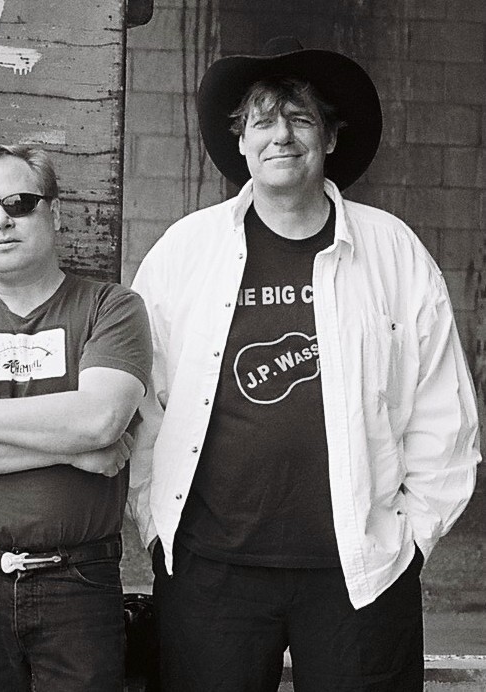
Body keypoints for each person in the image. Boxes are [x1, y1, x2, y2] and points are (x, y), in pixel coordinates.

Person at [131, 38, 481, 691]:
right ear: (240, 140)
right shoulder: (185, 251)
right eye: (262, 121)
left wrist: (410, 542)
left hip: (358, 572)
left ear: (329, 137)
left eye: (300, 119)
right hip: (211, 571)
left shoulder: (392, 250)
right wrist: (155, 526)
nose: (281, 136)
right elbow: (143, 401)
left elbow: (442, 410)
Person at [0, 140, 155, 691]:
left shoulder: (111, 307)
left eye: (18, 204)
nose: (0, 221)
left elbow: (100, 419)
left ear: (55, 212)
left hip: (80, 581)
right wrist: (76, 452)